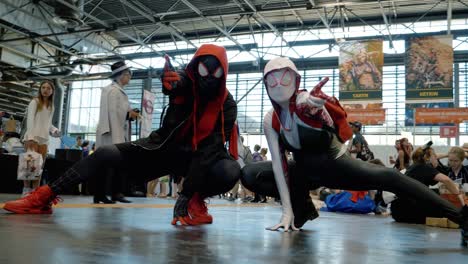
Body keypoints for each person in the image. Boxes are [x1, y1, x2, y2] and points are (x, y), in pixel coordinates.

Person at [3, 44, 240, 227]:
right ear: (194, 67)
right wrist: (172, 86)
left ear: (225, 72)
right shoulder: (186, 85)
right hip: (165, 149)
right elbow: (177, 84)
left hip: (200, 158)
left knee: (229, 170)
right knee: (105, 153)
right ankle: (44, 196)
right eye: (202, 69)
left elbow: (209, 149)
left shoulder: (227, 105)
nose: (208, 76)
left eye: (216, 71)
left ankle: (198, 199)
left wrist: (187, 195)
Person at [240, 57, 468, 247]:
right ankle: (303, 208)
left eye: (285, 77)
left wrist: (316, 107)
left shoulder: (305, 102)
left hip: (338, 165)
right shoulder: (271, 118)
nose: (279, 84)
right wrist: (287, 210)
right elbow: (280, 167)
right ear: (265, 83)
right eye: (272, 79)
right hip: (304, 172)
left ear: (296, 79)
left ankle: (462, 217)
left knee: (391, 178)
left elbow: (324, 118)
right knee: (250, 174)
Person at [93, 61, 137, 204]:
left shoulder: (117, 91)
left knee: (112, 164)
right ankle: (104, 194)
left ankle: (112, 193)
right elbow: (112, 113)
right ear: (122, 76)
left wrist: (130, 114)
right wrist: (127, 115)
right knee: (107, 165)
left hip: (116, 131)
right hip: (111, 133)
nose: (129, 78)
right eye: (128, 75)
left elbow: (119, 112)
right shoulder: (113, 91)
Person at [391, 145, 466, 224]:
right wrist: (459, 196)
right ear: (428, 158)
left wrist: (447, 155)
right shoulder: (425, 167)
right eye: (435, 156)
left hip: (398, 211)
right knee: (446, 210)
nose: (437, 158)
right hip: (409, 211)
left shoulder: (414, 166)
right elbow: (447, 180)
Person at [21, 80, 61, 196]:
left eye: (48, 88)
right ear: (40, 89)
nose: (45, 90)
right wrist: (31, 137)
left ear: (52, 91)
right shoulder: (35, 102)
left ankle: (35, 193)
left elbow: (48, 124)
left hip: (44, 140)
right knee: (29, 167)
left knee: (38, 168)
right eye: (43, 87)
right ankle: (26, 192)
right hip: (32, 138)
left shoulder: (51, 106)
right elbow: (30, 120)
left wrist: (55, 130)